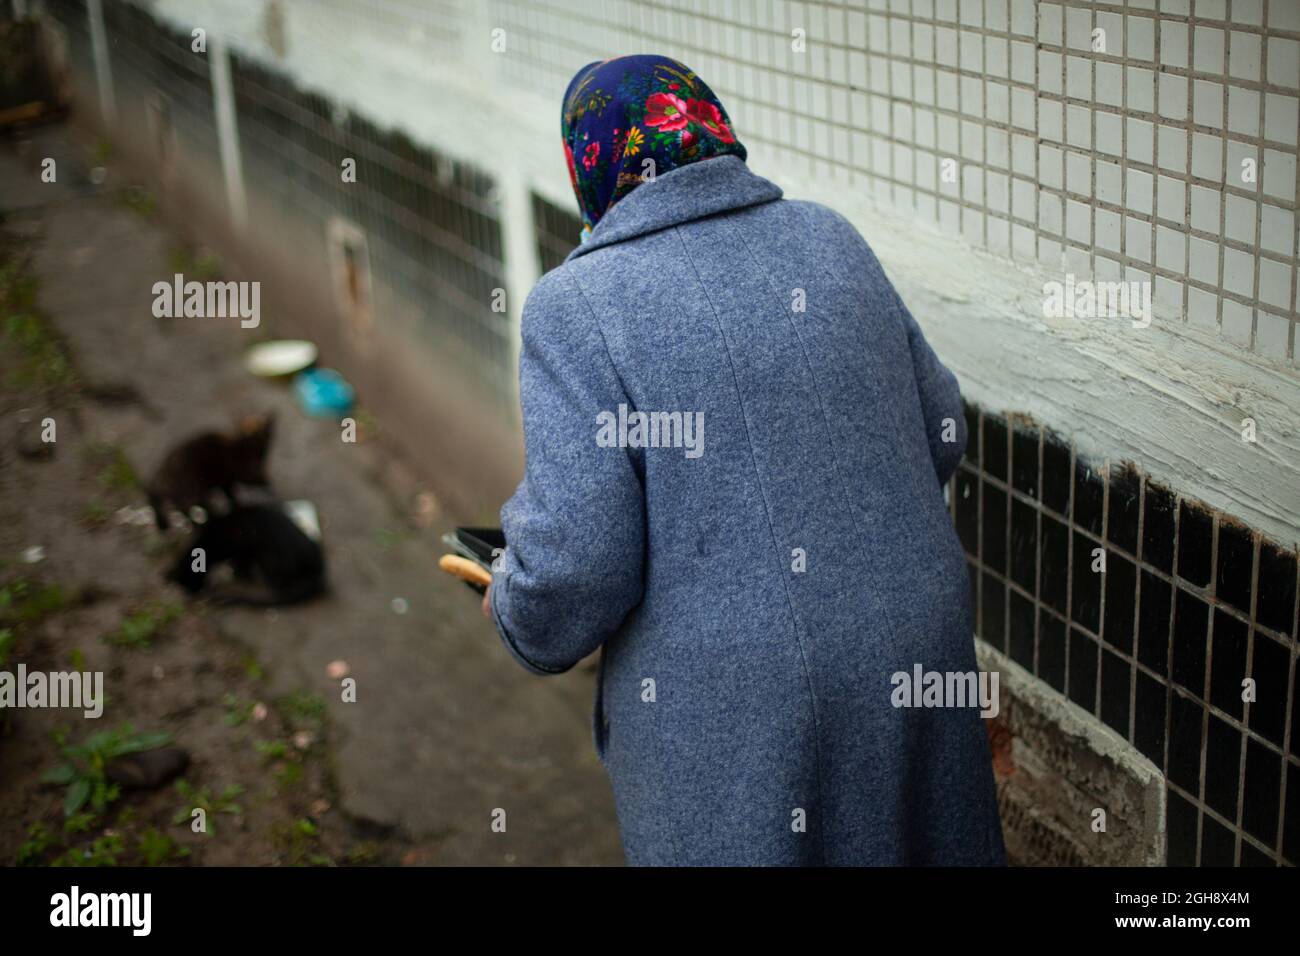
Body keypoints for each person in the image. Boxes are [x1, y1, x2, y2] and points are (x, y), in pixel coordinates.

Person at [483, 54, 1005, 866]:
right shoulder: (829, 235)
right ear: (711, 128)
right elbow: (943, 429)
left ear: (591, 165)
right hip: (916, 644)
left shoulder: (579, 305)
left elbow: (579, 562)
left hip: (747, 703)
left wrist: (518, 603)